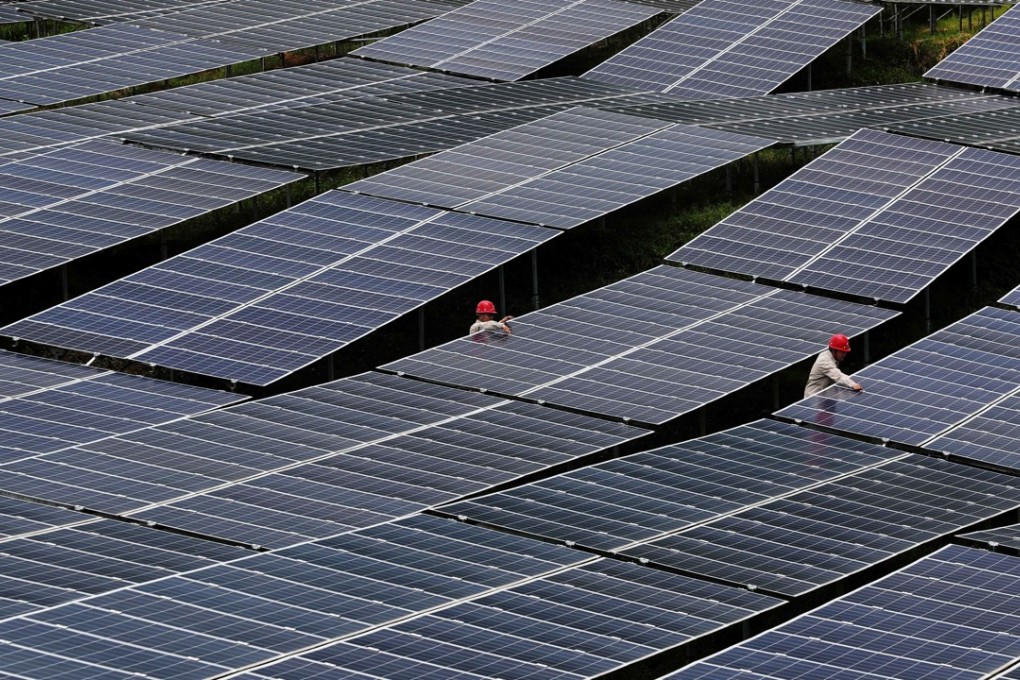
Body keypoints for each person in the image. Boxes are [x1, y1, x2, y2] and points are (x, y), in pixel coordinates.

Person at [804, 333, 862, 398]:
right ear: (834, 350)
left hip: (824, 396)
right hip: (812, 398)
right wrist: (852, 384)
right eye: (842, 352)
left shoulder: (834, 357)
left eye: (845, 352)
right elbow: (837, 375)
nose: (845, 354)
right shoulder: (824, 360)